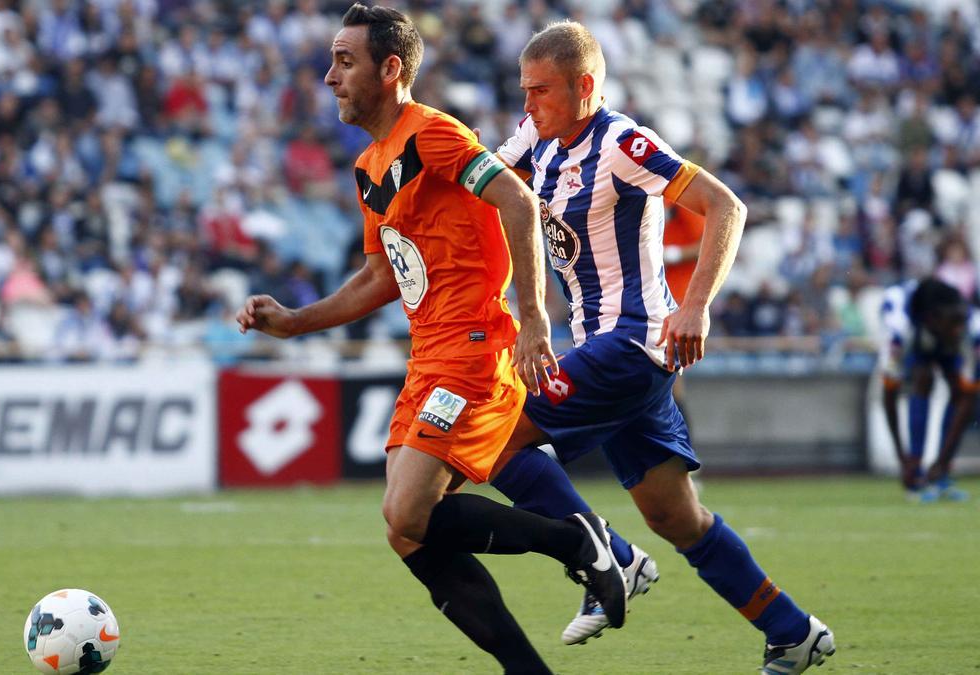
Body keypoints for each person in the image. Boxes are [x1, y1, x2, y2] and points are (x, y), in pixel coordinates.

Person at [235, 6, 626, 672]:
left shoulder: (432, 137)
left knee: (407, 507)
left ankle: (576, 540)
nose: (330, 77)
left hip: (475, 344)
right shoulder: (370, 168)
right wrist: (296, 321)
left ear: (391, 70)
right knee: (405, 530)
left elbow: (517, 200)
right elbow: (380, 277)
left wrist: (533, 316)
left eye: (345, 62)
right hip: (430, 355)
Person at [484, 21, 834, 673]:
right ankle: (792, 630)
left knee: (495, 434)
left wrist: (696, 304)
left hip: (633, 342)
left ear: (584, 86)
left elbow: (725, 206)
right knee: (676, 516)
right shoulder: (541, 136)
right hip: (605, 349)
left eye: (541, 91)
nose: (527, 104)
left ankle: (607, 555)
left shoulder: (622, 142)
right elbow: (488, 179)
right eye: (523, 90)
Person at [879, 277, 974, 502]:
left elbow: (970, 396)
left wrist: (942, 461)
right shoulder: (897, 329)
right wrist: (902, 459)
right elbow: (889, 395)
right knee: (923, 378)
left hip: (932, 332)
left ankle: (940, 472)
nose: (958, 330)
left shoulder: (970, 323)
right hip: (917, 337)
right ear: (933, 319)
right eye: (953, 323)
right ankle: (916, 465)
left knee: (959, 388)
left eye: (961, 322)